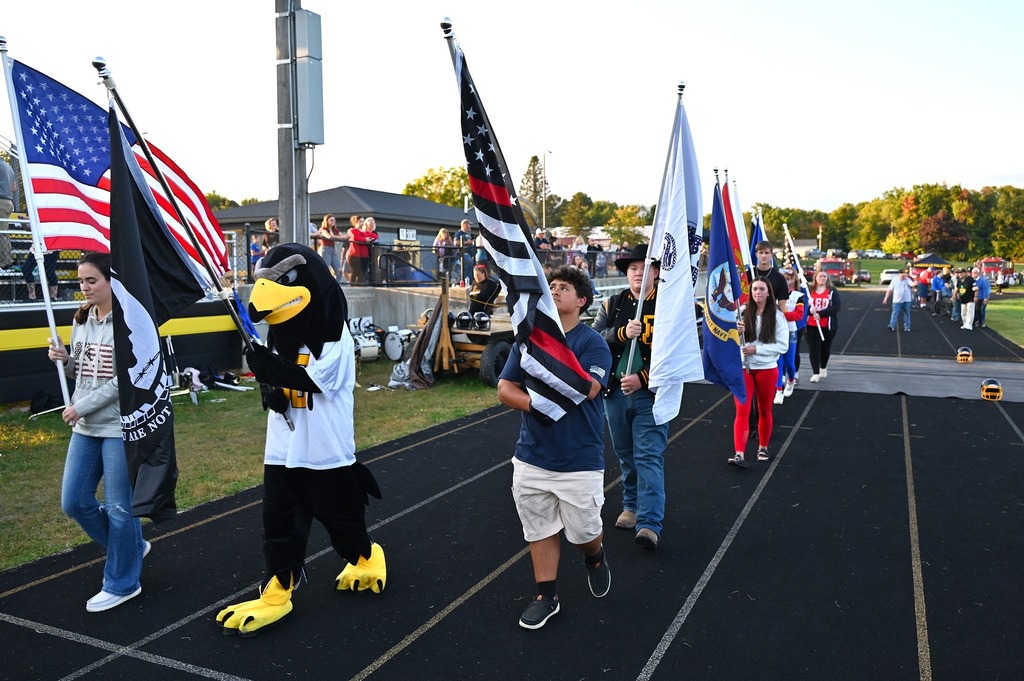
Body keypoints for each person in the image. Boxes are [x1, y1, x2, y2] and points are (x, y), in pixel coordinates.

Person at [497, 265, 612, 630]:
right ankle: (546, 596)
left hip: (579, 459)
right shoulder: (528, 339)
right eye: (553, 286)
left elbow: (588, 389)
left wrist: (543, 387)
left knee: (584, 532)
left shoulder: (592, 342)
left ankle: (594, 557)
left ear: (582, 301)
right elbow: (505, 389)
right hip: (532, 455)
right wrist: (535, 405)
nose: (555, 290)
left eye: (564, 287)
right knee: (539, 527)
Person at [46, 252, 148, 612]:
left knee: (120, 509)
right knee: (74, 501)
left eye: (92, 280)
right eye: (81, 281)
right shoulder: (82, 319)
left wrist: (82, 406)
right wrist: (66, 361)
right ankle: (131, 548)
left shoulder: (129, 322)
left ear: (110, 282)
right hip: (86, 425)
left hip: (117, 426)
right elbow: (82, 371)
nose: (85, 287)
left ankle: (122, 583)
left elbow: (126, 380)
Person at [592, 244, 667, 549]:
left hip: (652, 395)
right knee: (625, 454)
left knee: (648, 455)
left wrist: (643, 379)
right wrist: (620, 333)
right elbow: (594, 340)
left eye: (644, 267)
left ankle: (650, 523)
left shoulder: (667, 306)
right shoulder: (612, 304)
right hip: (614, 393)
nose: (638, 273)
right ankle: (632, 505)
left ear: (656, 272)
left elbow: (676, 353)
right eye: (633, 268)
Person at [729, 279, 789, 467]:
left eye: (762, 289)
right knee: (742, 410)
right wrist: (734, 330)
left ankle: (763, 447)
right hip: (743, 368)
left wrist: (757, 349)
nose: (758, 292)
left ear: (769, 293)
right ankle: (739, 453)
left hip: (767, 369)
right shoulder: (741, 312)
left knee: (764, 409)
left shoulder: (777, 316)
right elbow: (727, 337)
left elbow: (783, 346)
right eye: (755, 289)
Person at [774, 268, 806, 405]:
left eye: (787, 279)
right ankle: (778, 390)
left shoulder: (798, 296)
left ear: (792, 280)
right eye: (782, 279)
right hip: (776, 332)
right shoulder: (772, 295)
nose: (784, 282)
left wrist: (783, 314)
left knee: (790, 364)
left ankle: (791, 380)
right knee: (778, 363)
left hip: (790, 332)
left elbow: (798, 315)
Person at [806, 269, 841, 382]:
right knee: (814, 349)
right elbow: (803, 306)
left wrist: (821, 314)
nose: (822, 278)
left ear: (827, 278)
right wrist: (809, 311)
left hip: (828, 326)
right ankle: (815, 373)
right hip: (811, 325)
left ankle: (823, 367)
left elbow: (837, 307)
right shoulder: (809, 291)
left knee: (825, 349)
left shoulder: (832, 291)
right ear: (815, 278)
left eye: (824, 276)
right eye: (820, 276)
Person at [751, 240, 788, 313]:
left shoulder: (779, 278)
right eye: (761, 253)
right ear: (756, 254)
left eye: (767, 253)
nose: (764, 256)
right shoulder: (749, 274)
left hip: (771, 314)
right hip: (751, 313)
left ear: (771, 255)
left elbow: (782, 306)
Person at [317, 214, 347, 284]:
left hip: (333, 249)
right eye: (331, 220)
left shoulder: (335, 230)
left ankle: (334, 285)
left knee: (339, 271)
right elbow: (329, 236)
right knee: (325, 269)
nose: (333, 221)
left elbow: (344, 236)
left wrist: (341, 237)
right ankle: (323, 284)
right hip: (325, 249)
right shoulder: (323, 229)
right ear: (326, 221)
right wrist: (341, 238)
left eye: (334, 220)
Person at [882, 269, 914, 333]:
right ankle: (892, 325)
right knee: (895, 313)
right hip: (897, 300)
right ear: (899, 274)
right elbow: (890, 290)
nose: (904, 275)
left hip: (906, 300)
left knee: (907, 313)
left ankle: (907, 326)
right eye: (903, 274)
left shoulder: (907, 280)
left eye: (905, 274)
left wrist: (916, 281)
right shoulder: (894, 280)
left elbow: (912, 284)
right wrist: (886, 298)